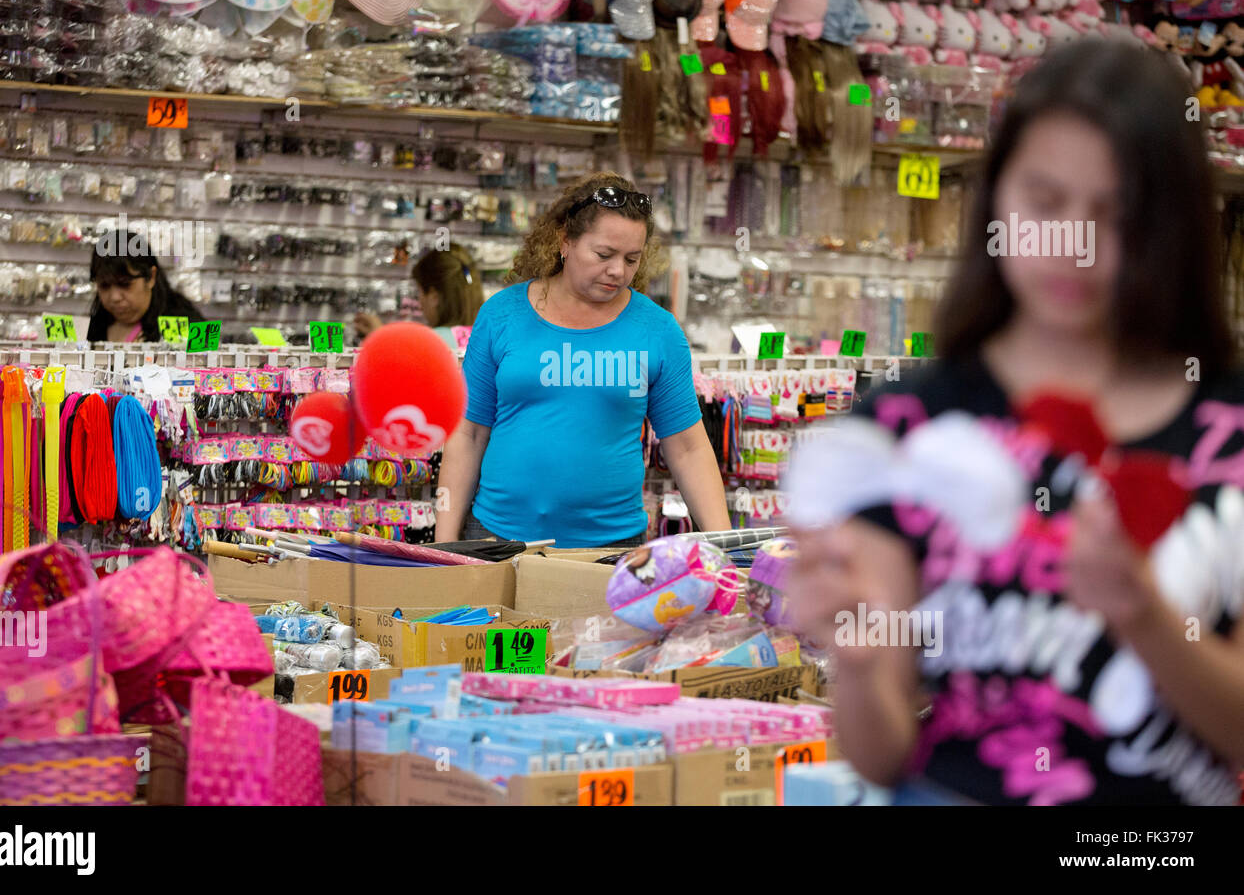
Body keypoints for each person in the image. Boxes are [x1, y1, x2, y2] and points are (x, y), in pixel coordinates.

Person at [789, 39, 1244, 805]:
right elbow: (879, 755)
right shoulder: (908, 428)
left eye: (1117, 211)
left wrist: (1144, 614)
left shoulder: (1225, 430)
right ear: (997, 198)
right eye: (1046, 200)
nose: (1076, 243)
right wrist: (859, 662)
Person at [436, 172, 731, 548]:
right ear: (565, 241)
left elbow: (688, 448)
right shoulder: (500, 315)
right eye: (604, 254)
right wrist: (444, 543)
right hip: (497, 539)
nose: (618, 271)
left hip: (611, 548)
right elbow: (468, 432)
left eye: (632, 259)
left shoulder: (657, 330)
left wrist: (724, 547)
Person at [353, 243, 483, 352]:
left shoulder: (430, 342)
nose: (419, 302)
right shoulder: (484, 337)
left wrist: (379, 338)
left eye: (419, 293)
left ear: (434, 297)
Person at [87, 232, 203, 343]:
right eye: (104, 285)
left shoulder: (186, 324)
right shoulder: (93, 327)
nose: (115, 297)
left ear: (151, 277)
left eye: (125, 284)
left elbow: (207, 360)